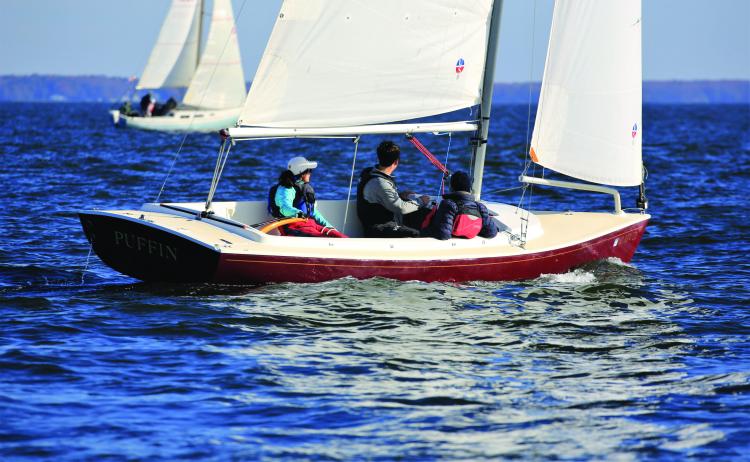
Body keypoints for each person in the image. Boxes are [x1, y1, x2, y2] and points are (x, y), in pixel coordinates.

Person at [356, 140, 432, 238]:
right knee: (416, 233)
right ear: (396, 162)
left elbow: (380, 197)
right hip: (379, 230)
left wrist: (399, 195)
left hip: (382, 226)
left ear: (378, 158)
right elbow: (401, 208)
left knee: (420, 215)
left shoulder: (370, 174)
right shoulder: (380, 182)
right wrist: (420, 201)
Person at [268, 156, 347, 238]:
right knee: (324, 239)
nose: (310, 173)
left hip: (310, 224)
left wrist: (331, 228)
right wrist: (297, 213)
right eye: (309, 171)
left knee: (342, 238)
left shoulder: (303, 188)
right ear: (301, 172)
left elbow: (314, 213)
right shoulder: (286, 189)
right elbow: (284, 208)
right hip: (293, 226)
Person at [423, 171, 498, 240]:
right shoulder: (480, 207)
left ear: (452, 187)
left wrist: (422, 232)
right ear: (469, 188)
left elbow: (443, 234)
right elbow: (492, 233)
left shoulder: (448, 204)